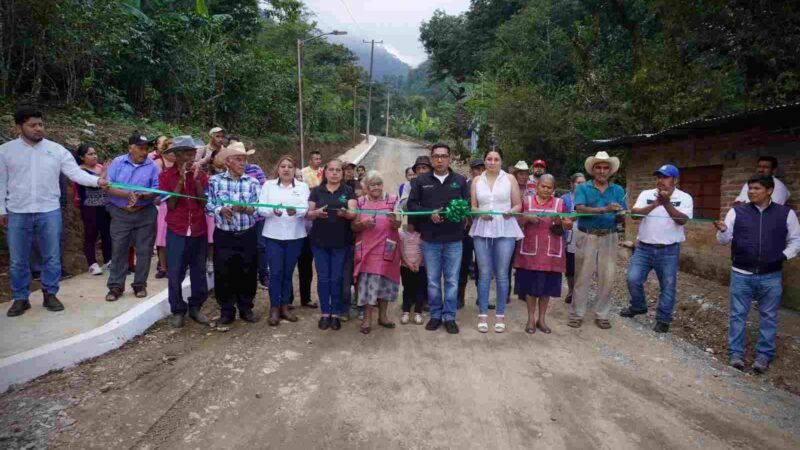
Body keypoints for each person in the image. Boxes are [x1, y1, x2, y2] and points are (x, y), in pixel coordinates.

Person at [2, 108, 108, 317]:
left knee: (51, 256)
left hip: (49, 210)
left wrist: (97, 180)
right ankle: (21, 298)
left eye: (41, 124)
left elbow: (75, 173)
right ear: (19, 127)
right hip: (17, 210)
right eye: (33, 125)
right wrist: (0, 210)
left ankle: (50, 293)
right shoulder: (5, 151)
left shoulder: (56, 150)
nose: (38, 128)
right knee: (17, 259)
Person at [715, 175, 800, 374]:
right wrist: (723, 231)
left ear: (769, 191)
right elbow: (723, 240)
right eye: (750, 188)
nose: (751, 192)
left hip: (771, 276)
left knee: (769, 316)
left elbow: (796, 241)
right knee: (738, 315)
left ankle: (764, 355)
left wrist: (781, 257)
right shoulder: (737, 212)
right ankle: (736, 353)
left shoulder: (785, 214)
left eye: (756, 188)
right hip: (741, 273)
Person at [621, 164, 693, 333]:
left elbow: (682, 220)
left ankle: (663, 319)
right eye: (659, 177)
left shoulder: (685, 197)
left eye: (665, 177)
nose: (661, 180)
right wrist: (654, 204)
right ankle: (638, 306)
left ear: (675, 180)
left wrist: (666, 203)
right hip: (644, 247)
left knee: (667, 286)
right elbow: (635, 214)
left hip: (668, 250)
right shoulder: (647, 194)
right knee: (633, 279)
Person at [408, 143, 470, 334]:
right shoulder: (421, 181)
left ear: (450, 158)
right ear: (431, 158)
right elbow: (411, 205)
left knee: (451, 280)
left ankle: (449, 316)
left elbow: (466, 208)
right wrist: (429, 214)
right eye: (436, 156)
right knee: (433, 280)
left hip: (454, 239)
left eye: (444, 156)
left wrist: (458, 215)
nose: (440, 160)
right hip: (430, 240)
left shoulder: (460, 181)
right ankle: (435, 315)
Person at [569, 151, 627, 329]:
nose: (602, 171)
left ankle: (602, 314)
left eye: (605, 168)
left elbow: (621, 216)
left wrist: (620, 215)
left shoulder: (617, 190)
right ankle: (577, 314)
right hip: (587, 234)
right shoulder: (583, 188)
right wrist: (605, 209)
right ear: (592, 170)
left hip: (609, 235)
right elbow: (579, 209)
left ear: (610, 171)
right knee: (582, 276)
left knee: (607, 277)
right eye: (598, 167)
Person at [205, 142, 261, 324]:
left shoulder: (252, 182)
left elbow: (259, 208)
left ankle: (246, 308)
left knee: (248, 271)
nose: (242, 163)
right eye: (238, 159)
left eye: (244, 159)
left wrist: (245, 209)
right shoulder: (215, 181)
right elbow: (208, 205)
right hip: (224, 235)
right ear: (228, 161)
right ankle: (227, 311)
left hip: (247, 234)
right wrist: (220, 210)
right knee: (224, 273)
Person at [159, 136, 210, 328]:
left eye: (193, 153)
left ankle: (196, 308)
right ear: (178, 155)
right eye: (188, 153)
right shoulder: (165, 176)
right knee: (175, 273)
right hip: (177, 230)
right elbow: (171, 205)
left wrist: (196, 181)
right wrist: (180, 180)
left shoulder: (201, 175)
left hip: (198, 229)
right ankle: (178, 310)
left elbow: (204, 203)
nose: (192, 156)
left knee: (199, 272)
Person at [470, 150, 523, 333]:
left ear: (501, 161)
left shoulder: (510, 179)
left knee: (502, 273)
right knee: (484, 273)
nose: (492, 162)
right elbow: (473, 206)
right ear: (485, 161)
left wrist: (512, 211)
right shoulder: (477, 180)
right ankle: (483, 314)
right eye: (489, 159)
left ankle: (500, 314)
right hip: (482, 229)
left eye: (496, 159)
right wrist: (480, 213)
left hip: (505, 228)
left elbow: (518, 204)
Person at [103, 134, 160, 302]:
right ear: (130, 148)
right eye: (140, 148)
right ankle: (115, 286)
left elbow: (157, 190)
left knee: (144, 250)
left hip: (145, 212)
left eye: (146, 149)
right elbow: (108, 186)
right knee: (119, 248)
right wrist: (128, 195)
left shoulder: (152, 166)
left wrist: (141, 196)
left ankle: (140, 284)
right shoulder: (118, 163)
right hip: (120, 213)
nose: (144, 152)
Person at [515, 174, 572, 334]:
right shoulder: (526, 202)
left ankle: (542, 319)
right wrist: (526, 218)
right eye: (543, 186)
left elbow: (567, 225)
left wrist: (564, 222)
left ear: (554, 190)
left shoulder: (560, 204)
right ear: (537, 186)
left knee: (546, 289)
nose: (546, 190)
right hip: (530, 253)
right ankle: (531, 319)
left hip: (550, 253)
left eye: (549, 187)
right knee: (531, 288)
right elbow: (517, 223)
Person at [258, 155, 309, 326]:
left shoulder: (302, 186)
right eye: (283, 166)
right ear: (278, 169)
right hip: (273, 236)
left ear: (295, 169)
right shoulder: (268, 185)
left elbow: (305, 207)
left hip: (295, 236)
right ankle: (274, 307)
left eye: (290, 166)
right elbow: (260, 208)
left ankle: (285, 306)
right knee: (276, 273)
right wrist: (273, 211)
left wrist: (297, 212)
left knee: (288, 273)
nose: (286, 169)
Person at [306, 159, 357, 330]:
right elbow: (308, 214)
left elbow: (353, 213)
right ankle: (325, 313)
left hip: (341, 242)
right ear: (325, 173)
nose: (334, 173)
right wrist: (315, 213)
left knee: (337, 278)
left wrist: (346, 214)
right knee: (323, 278)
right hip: (319, 242)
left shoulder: (348, 191)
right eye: (331, 170)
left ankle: (335, 313)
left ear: (342, 174)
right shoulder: (316, 191)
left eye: (338, 170)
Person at [351, 171, 402, 334]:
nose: (376, 187)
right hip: (367, 248)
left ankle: (383, 316)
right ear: (366, 187)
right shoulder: (359, 202)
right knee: (367, 283)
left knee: (386, 282)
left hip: (387, 247)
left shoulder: (393, 200)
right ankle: (367, 319)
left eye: (379, 184)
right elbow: (353, 227)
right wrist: (363, 224)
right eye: (372, 184)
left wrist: (394, 221)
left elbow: (398, 223)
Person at [74, 144, 112, 276]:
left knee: (107, 234)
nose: (94, 156)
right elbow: (94, 185)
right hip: (89, 208)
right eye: (90, 154)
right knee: (91, 235)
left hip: (105, 206)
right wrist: (104, 173)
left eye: (95, 153)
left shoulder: (100, 167)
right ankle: (92, 263)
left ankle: (108, 260)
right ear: (81, 157)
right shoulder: (79, 171)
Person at [458, 158, 487, 309]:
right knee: (463, 263)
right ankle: (459, 297)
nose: (480, 172)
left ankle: (482, 298)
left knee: (483, 265)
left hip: (484, 230)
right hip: (466, 230)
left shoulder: (490, 187)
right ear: (471, 171)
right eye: (477, 169)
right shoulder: (465, 185)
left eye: (483, 169)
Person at [243, 149, 269, 288]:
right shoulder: (227, 173)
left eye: (243, 157)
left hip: (257, 217)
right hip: (241, 220)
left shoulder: (255, 169)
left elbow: (264, 187)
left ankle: (264, 275)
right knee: (247, 248)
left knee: (261, 246)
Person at [560, 173, 586, 304]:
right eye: (578, 182)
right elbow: (561, 216)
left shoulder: (589, 197)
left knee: (583, 266)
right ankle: (571, 291)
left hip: (586, 234)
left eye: (583, 183)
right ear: (572, 184)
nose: (581, 185)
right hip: (570, 235)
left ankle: (580, 293)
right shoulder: (565, 198)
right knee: (570, 266)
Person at [153, 144, 177, 279]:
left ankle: (173, 265)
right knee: (162, 237)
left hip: (178, 205)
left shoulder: (183, 169)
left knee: (174, 238)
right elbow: (158, 187)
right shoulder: (160, 166)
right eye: (171, 151)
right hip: (164, 204)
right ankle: (163, 267)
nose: (174, 154)